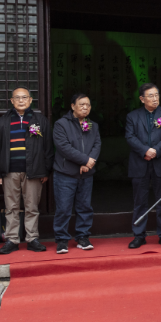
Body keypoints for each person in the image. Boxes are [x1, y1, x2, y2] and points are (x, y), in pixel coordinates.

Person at [0, 87, 53, 254]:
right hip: (9, 171)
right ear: (11, 101)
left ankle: (32, 238)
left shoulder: (40, 120)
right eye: (17, 98)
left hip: (33, 171)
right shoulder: (3, 121)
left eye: (24, 97)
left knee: (31, 206)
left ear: (30, 100)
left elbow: (48, 147)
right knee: (11, 207)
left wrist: (45, 171)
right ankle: (12, 239)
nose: (20, 100)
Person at [125, 83, 161, 249]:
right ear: (142, 99)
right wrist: (146, 151)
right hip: (140, 163)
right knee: (140, 201)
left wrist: (156, 150)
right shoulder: (132, 116)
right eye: (151, 96)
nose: (155, 99)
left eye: (156, 95)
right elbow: (130, 137)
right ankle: (139, 235)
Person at [52, 93, 101, 254]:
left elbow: (97, 144)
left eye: (88, 105)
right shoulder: (61, 124)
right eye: (81, 105)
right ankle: (61, 240)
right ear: (72, 106)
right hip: (65, 173)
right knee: (64, 208)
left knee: (85, 207)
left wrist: (90, 161)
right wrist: (84, 160)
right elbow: (64, 147)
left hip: (86, 174)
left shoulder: (93, 125)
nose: (85, 108)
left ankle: (83, 237)